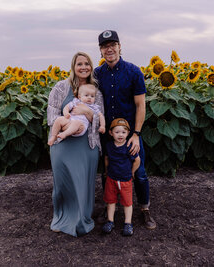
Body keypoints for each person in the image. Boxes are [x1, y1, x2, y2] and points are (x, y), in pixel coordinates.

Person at [94, 30, 156, 229]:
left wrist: (136, 134)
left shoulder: (133, 71)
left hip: (129, 134)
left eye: (113, 44)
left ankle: (144, 209)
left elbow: (140, 105)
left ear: (120, 46)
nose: (109, 49)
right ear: (101, 50)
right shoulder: (97, 74)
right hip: (107, 134)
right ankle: (110, 207)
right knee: (107, 171)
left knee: (139, 173)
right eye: (104, 46)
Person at [47, 51, 104, 237]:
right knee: (63, 182)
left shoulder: (96, 91)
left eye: (87, 63)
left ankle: (82, 218)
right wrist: (69, 120)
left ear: (91, 66)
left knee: (82, 182)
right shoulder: (60, 87)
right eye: (80, 64)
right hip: (63, 143)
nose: (84, 67)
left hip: (86, 144)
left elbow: (100, 119)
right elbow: (51, 115)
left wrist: (87, 113)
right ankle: (61, 216)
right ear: (73, 66)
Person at [102, 118, 140, 236]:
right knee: (111, 201)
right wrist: (107, 170)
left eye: (123, 132)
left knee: (127, 202)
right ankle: (110, 221)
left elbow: (137, 160)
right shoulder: (109, 146)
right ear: (111, 133)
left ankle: (128, 223)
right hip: (111, 178)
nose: (120, 135)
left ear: (128, 133)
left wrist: (132, 172)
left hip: (125, 179)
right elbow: (107, 158)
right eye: (117, 132)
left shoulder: (129, 146)